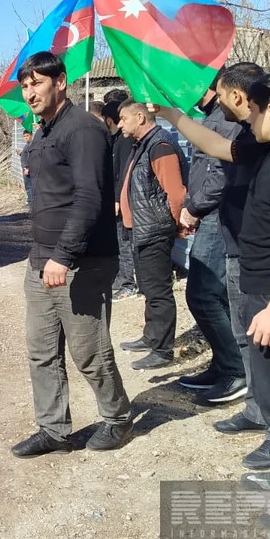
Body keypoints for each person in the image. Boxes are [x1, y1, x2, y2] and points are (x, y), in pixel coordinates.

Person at [157, 69, 270, 532]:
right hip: (257, 289)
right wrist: (172, 113)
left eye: (252, 111)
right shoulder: (265, 148)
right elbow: (217, 146)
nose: (245, 118)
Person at [12, 52, 133, 457]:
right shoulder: (44, 131)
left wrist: (63, 256)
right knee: (41, 351)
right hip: (41, 260)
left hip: (83, 261)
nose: (30, 92)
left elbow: (89, 199)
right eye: (25, 85)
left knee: (89, 351)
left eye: (37, 83)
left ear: (60, 81)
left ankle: (117, 418)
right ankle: (54, 430)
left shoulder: (82, 129)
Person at [207, 63, 270, 442]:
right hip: (238, 248)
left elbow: (219, 149)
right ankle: (256, 408)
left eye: (220, 92)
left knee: (260, 341)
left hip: (254, 254)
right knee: (244, 332)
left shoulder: (265, 139)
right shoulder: (250, 135)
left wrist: (172, 116)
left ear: (236, 95)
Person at [178, 84, 249, 405]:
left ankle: (235, 371)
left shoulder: (226, 119)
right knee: (212, 295)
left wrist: (194, 207)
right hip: (210, 214)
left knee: (203, 295)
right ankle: (224, 365)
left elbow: (221, 172)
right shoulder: (213, 116)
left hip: (218, 215)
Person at [117, 102, 187, 370]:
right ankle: (151, 336)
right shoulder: (144, 144)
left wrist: (177, 223)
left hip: (155, 228)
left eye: (124, 119)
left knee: (158, 291)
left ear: (139, 117)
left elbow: (176, 192)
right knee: (149, 287)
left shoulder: (160, 146)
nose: (120, 124)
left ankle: (162, 350)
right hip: (143, 228)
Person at [101, 90, 137, 300]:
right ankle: (122, 277)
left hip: (123, 201)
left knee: (125, 242)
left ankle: (129, 282)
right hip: (116, 200)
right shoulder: (115, 140)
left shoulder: (124, 142)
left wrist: (117, 199)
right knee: (119, 241)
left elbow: (123, 172)